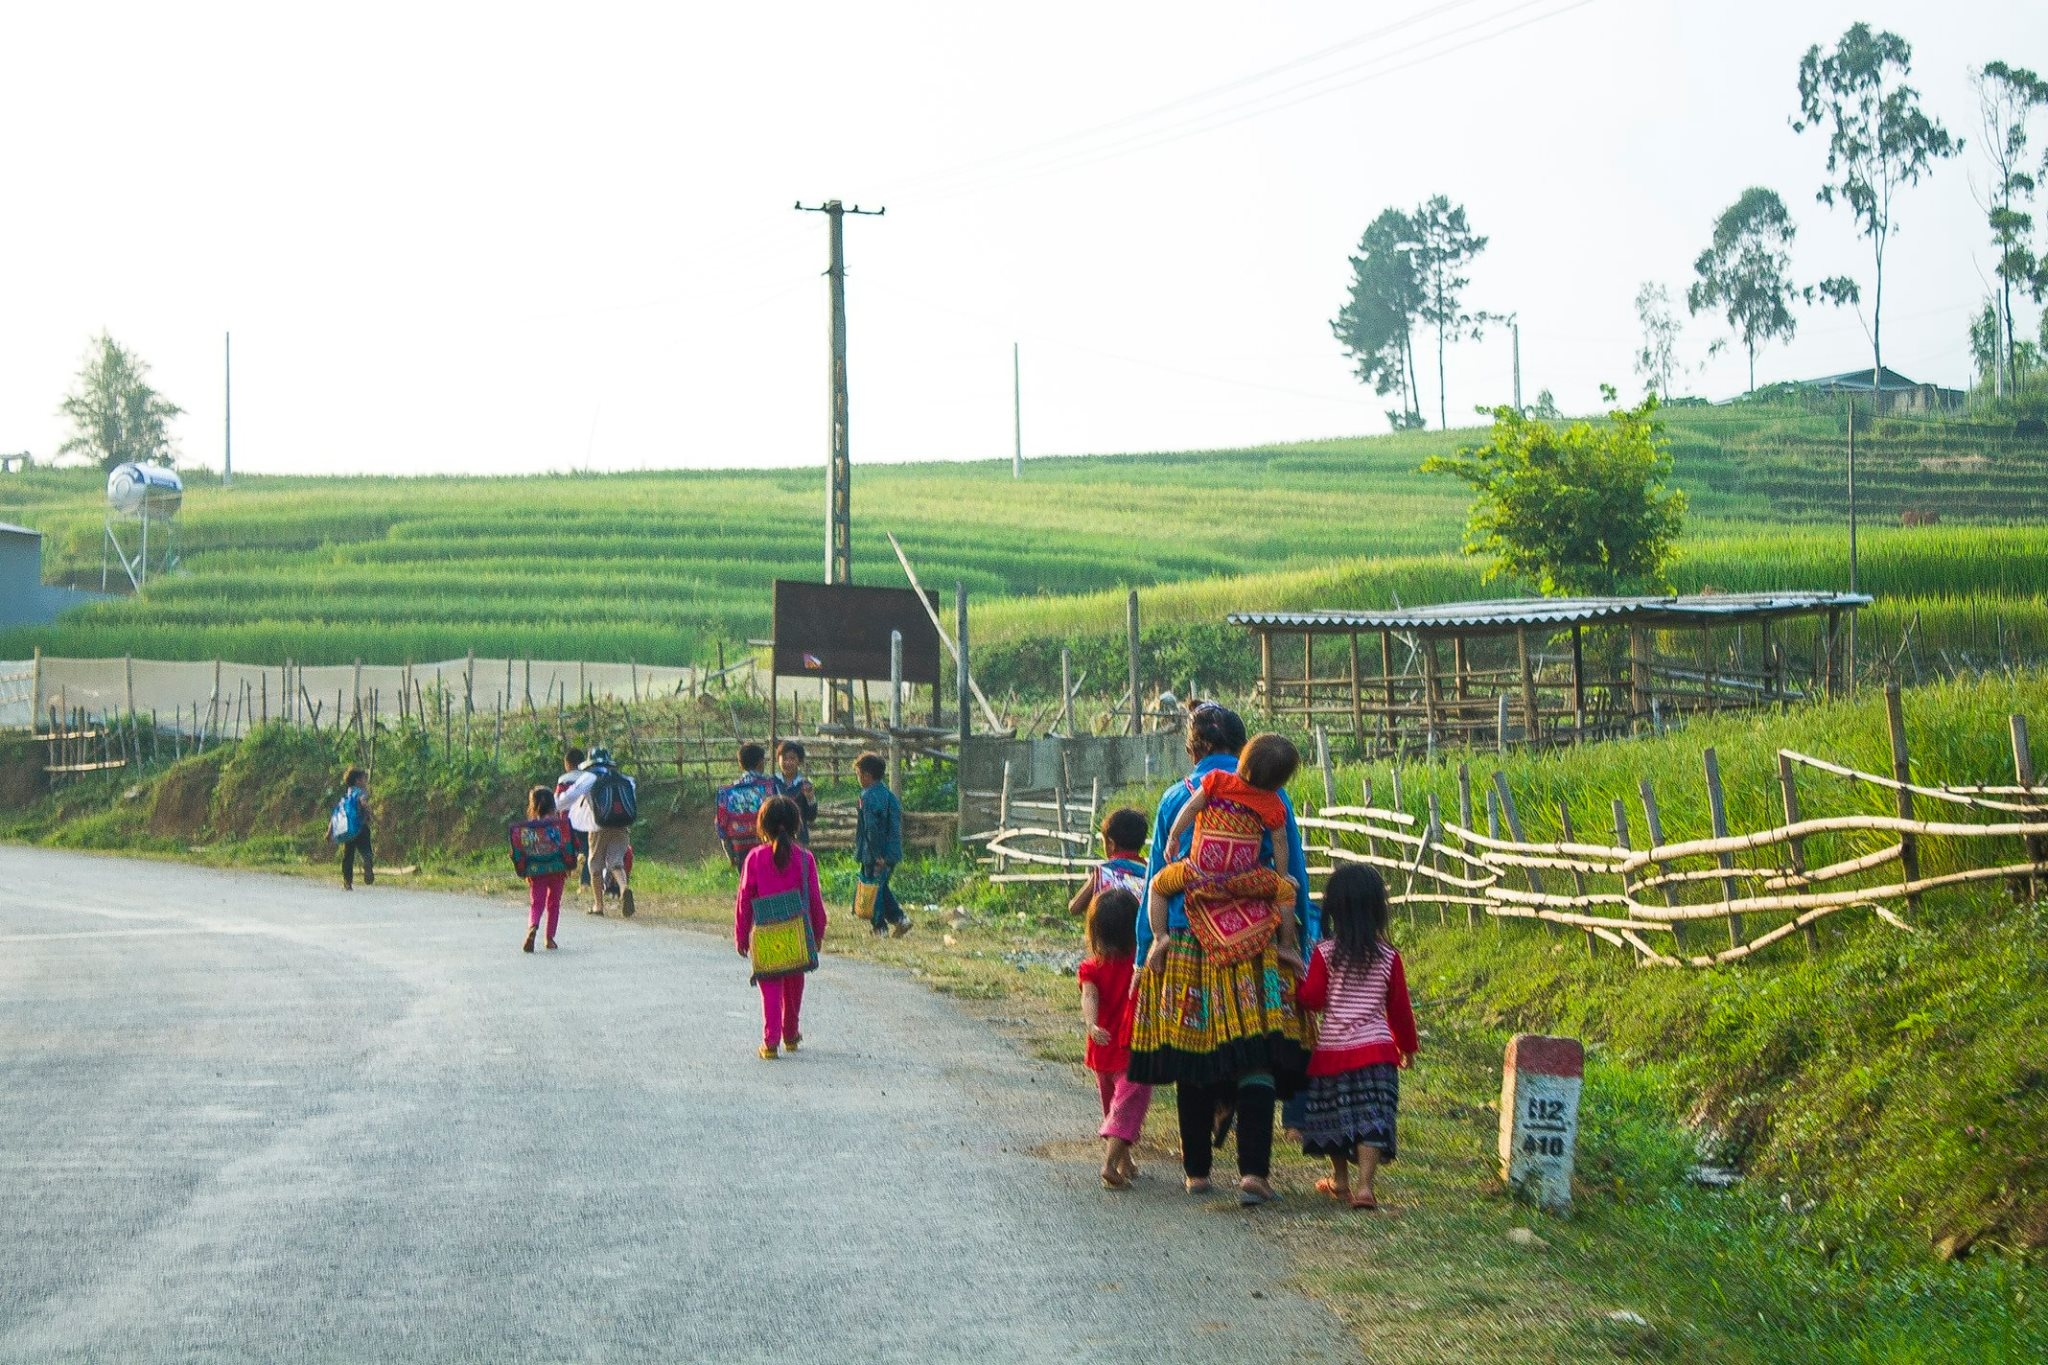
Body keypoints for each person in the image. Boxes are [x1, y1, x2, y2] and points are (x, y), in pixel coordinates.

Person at [1128, 702, 1315, 1205]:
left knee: (1194, 1057)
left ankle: (1197, 1174)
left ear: (1197, 748)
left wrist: (1148, 951)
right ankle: (1254, 1174)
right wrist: (1298, 940)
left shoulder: (1179, 795)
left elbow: (1155, 884)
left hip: (1188, 942)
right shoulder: (1273, 797)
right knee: (1257, 1053)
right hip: (1252, 945)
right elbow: (1291, 872)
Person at [1297, 865, 1418, 1211]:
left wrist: (1296, 980)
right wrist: (1406, 1047)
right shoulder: (1388, 956)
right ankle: (1366, 1186)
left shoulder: (1325, 953)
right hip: (1378, 1053)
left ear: (1333, 908)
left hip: (1333, 1052)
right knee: (1372, 1120)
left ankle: (1340, 1181)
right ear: (1378, 908)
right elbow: (1399, 1010)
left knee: (1335, 1117)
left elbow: (1314, 999)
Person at [1145, 732, 1304, 972]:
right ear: (1279, 782)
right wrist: (1282, 876)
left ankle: (1159, 937)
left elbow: (1190, 808)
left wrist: (1174, 837)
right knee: (1285, 893)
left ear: (1244, 758)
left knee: (1157, 886)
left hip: (1198, 874)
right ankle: (1286, 946)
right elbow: (1280, 842)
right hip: (1245, 879)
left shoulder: (1216, 781)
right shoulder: (1273, 803)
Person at [735, 796, 828, 1059]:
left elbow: (744, 901)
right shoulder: (805, 858)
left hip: (765, 933)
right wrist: (818, 932)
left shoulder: (754, 858)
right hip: (796, 932)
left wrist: (741, 935)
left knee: (771, 987)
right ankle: (791, 1034)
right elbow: (815, 901)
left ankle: (770, 1041)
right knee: (794, 984)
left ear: (762, 825)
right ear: (796, 824)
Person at [1078, 887, 1151, 1189]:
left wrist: (1092, 1026)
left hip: (1101, 1048)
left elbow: (1089, 997)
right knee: (1129, 1106)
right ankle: (1109, 1163)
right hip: (1130, 1047)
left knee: (1113, 1106)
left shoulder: (1092, 967)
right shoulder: (1140, 963)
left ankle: (1124, 1160)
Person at [560, 746, 636, 917]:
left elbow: (571, 796)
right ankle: (624, 889)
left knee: (595, 865)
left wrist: (554, 806)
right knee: (616, 862)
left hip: (597, 827)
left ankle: (598, 905)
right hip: (622, 825)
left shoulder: (589, 777)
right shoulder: (625, 779)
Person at [854, 752, 911, 937]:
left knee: (873, 890)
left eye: (858, 774)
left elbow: (872, 829)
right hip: (892, 851)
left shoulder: (868, 796)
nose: (858, 779)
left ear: (866, 775)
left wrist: (877, 855)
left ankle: (880, 928)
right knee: (881, 887)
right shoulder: (889, 795)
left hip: (875, 854)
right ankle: (900, 920)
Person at [517, 786, 575, 954]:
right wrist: (570, 866)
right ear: (553, 804)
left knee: (537, 904)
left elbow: (525, 852)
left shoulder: (530, 828)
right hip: (558, 871)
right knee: (554, 904)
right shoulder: (560, 826)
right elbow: (571, 847)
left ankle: (532, 926)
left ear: (533, 806)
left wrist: (527, 870)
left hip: (537, 871)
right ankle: (549, 938)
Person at [1066, 807, 1150, 917]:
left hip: (1105, 932)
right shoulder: (1149, 871)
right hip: (1138, 933)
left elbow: (1074, 908)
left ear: (1110, 843)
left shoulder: (1103, 871)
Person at [717, 743, 776, 868]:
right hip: (767, 845)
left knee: (747, 883)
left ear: (740, 764)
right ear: (761, 762)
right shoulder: (770, 786)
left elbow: (721, 824)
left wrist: (730, 853)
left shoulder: (727, 792)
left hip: (740, 848)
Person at [554, 746, 592, 890]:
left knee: (566, 848)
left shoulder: (563, 779)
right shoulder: (588, 778)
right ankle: (585, 882)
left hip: (566, 821)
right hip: (585, 819)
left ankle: (565, 874)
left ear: (567, 764)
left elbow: (557, 801)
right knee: (588, 850)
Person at [770, 740, 819, 845]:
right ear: (778, 759)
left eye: (792, 758)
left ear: (799, 761)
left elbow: (811, 816)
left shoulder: (805, 784)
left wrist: (810, 798)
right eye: (784, 758)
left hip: (799, 836)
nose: (788, 762)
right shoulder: (771, 782)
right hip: (775, 836)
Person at [335, 767, 373, 891]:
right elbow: (363, 802)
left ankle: (347, 882)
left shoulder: (347, 794)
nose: (365, 781)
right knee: (366, 850)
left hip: (349, 829)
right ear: (357, 781)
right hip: (362, 827)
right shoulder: (361, 792)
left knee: (348, 856)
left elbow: (337, 812)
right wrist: (371, 813)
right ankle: (367, 862)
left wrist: (330, 832)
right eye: (364, 779)